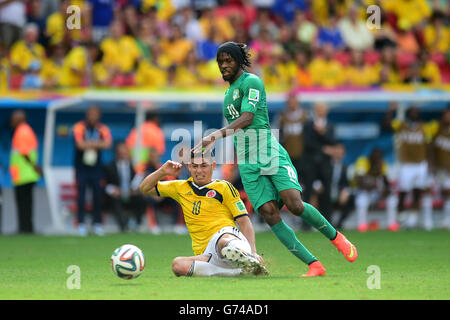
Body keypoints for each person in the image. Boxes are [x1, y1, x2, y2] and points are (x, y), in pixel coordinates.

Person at [193, 42, 358, 277]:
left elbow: (248, 118)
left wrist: (214, 135)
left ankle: (337, 238)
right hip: (248, 161)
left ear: (240, 60)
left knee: (294, 203)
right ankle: (314, 265)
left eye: (229, 60)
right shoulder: (228, 94)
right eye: (221, 61)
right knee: (269, 213)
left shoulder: (252, 82)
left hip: (267, 151)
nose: (224, 65)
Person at [139, 152, 268, 277]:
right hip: (207, 255)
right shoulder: (180, 187)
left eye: (204, 165)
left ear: (213, 165)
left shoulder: (224, 187)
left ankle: (247, 257)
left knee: (223, 241)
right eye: (195, 166)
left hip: (228, 238)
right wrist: (162, 171)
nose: (199, 171)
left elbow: (244, 221)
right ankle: (239, 271)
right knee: (177, 265)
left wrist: (253, 251)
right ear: (189, 167)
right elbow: (144, 189)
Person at [383, 103, 434, 230]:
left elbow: (428, 145)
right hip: (406, 164)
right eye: (412, 111)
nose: (414, 113)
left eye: (416, 111)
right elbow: (386, 125)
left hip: (420, 163)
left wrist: (430, 163)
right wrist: (390, 111)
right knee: (404, 191)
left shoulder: (424, 127)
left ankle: (413, 218)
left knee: (417, 191)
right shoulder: (402, 125)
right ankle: (400, 216)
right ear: (408, 113)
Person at [73, 106, 112, 236]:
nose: (92, 116)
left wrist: (88, 143)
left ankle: (97, 224)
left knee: (97, 196)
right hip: (81, 168)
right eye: (90, 114)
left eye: (95, 114)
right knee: (81, 196)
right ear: (87, 115)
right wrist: (97, 143)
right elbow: (79, 145)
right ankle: (81, 224)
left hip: (96, 168)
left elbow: (107, 144)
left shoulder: (103, 129)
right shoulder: (79, 127)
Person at [301, 101, 337, 223]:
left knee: (326, 192)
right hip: (311, 163)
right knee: (308, 192)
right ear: (315, 110)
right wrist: (323, 148)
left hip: (325, 164)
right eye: (319, 108)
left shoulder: (330, 126)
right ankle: (306, 223)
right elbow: (307, 143)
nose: (321, 111)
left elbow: (332, 141)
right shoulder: (308, 124)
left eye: (323, 108)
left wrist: (323, 133)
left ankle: (328, 221)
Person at [9, 110, 41, 233]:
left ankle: (25, 228)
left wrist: (34, 166)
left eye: (14, 118)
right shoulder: (25, 130)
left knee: (23, 203)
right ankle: (26, 228)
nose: (11, 121)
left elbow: (23, 152)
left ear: (20, 119)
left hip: (24, 175)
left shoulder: (22, 131)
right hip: (26, 174)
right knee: (26, 203)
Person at [353, 148, 399, 232]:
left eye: (379, 158)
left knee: (392, 199)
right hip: (365, 192)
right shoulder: (363, 162)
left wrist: (385, 191)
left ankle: (392, 224)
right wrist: (374, 173)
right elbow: (360, 183)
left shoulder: (383, 164)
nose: (377, 160)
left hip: (377, 193)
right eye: (375, 158)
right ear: (371, 157)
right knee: (361, 200)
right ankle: (362, 225)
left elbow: (386, 185)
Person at [104, 142, 146, 232]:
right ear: (117, 154)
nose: (124, 155)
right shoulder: (110, 166)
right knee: (115, 200)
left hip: (130, 194)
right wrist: (113, 190)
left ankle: (136, 224)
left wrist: (134, 189)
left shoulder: (133, 166)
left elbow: (137, 179)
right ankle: (124, 227)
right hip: (117, 195)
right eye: (121, 153)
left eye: (125, 152)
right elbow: (106, 185)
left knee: (142, 198)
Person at [430, 108, 450, 229]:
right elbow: (429, 145)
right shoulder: (436, 127)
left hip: (448, 169)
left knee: (448, 193)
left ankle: (447, 220)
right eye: (447, 115)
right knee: (426, 191)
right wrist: (431, 163)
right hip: (436, 167)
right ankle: (427, 221)